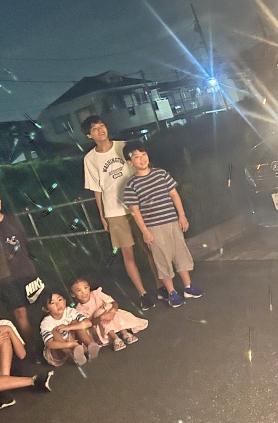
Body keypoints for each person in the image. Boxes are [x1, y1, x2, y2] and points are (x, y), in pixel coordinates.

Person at [81, 115, 164, 309]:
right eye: (95, 129)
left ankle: (161, 285)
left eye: (102, 125)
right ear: (89, 135)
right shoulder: (90, 159)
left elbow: (141, 170)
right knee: (128, 254)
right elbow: (97, 190)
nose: (101, 130)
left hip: (138, 206)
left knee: (150, 247)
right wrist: (102, 215)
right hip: (114, 211)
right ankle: (143, 294)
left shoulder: (123, 146)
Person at [123, 141, 203, 308]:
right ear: (130, 162)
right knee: (162, 258)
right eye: (136, 157)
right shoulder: (131, 184)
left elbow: (174, 195)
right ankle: (172, 292)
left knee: (180, 253)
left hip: (172, 221)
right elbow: (135, 211)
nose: (142, 159)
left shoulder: (161, 174)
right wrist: (144, 231)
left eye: (143, 154)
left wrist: (182, 216)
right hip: (153, 227)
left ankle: (188, 287)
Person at [0, 190, 44, 347]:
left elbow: (25, 243)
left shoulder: (13, 220)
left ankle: (49, 340)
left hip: (27, 271)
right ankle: (34, 346)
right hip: (5, 279)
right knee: (20, 312)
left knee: (39, 305)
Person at [70, 277, 149, 351]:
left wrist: (112, 312)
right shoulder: (79, 309)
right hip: (99, 326)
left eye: (85, 287)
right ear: (73, 294)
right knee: (99, 312)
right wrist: (101, 317)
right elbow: (89, 323)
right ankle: (114, 337)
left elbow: (113, 303)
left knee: (108, 306)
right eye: (79, 290)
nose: (84, 292)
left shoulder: (96, 294)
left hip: (112, 316)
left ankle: (124, 332)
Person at [40, 291, 102, 366]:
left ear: (65, 300)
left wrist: (68, 327)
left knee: (76, 322)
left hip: (73, 341)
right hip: (58, 348)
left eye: (60, 300)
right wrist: (69, 345)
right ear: (46, 309)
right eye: (52, 303)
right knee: (55, 331)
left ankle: (90, 345)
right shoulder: (46, 322)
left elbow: (88, 323)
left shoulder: (70, 312)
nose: (58, 304)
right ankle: (73, 355)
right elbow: (50, 344)